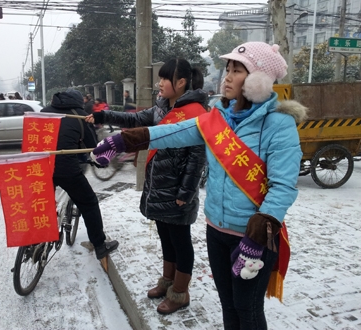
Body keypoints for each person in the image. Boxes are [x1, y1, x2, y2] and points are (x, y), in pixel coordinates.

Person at [91, 42, 308, 328]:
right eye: (227, 69)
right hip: (216, 230)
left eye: (236, 71)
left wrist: (255, 239)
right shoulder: (217, 118)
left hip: (251, 239)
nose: (226, 77)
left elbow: (283, 187)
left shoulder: (279, 125)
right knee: (228, 306)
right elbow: (172, 132)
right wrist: (122, 141)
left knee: (248, 309)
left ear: (259, 81)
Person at [86, 58, 207, 315]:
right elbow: (134, 120)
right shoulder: (161, 109)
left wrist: (186, 193)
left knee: (181, 242)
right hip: (158, 187)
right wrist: (102, 115)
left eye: (164, 78)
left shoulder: (197, 114)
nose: (159, 83)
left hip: (177, 192)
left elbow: (196, 159)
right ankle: (167, 282)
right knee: (166, 238)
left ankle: (180, 292)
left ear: (181, 82)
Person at [41, 89, 119, 260]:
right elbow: (93, 147)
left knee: (40, 202)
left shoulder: (44, 112)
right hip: (66, 169)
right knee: (89, 202)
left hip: (39, 167)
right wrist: (96, 160)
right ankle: (100, 245)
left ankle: (33, 242)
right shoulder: (81, 116)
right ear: (79, 102)